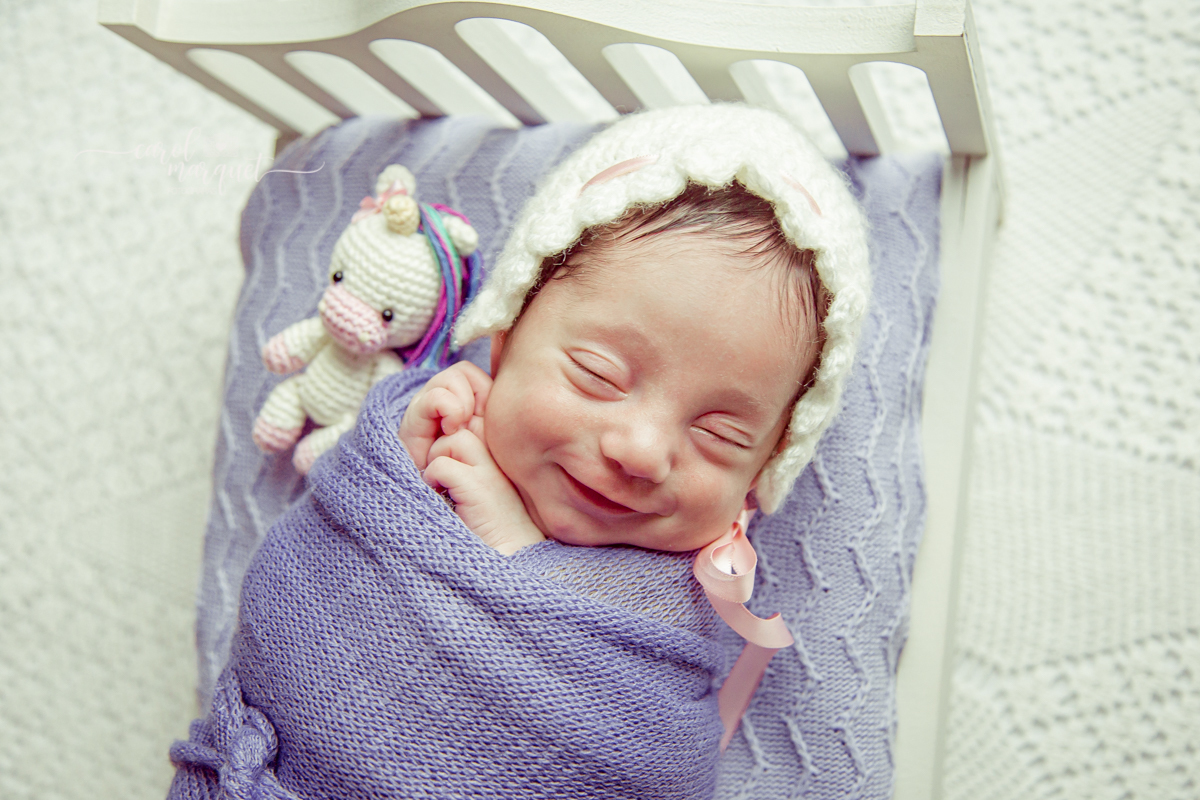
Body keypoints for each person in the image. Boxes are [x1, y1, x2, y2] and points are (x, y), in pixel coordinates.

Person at [165, 103, 870, 800]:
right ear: (504, 335)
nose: (642, 450)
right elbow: (294, 592)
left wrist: (513, 550)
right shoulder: (415, 439)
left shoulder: (682, 597)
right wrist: (402, 467)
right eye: (598, 374)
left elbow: (647, 760)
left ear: (763, 471)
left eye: (720, 435)